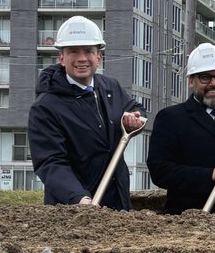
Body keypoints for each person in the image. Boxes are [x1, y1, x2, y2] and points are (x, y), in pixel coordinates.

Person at [28, 15, 145, 209]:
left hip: (117, 203)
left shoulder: (110, 87)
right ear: (61, 58)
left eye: (89, 51)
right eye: (73, 51)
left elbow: (136, 108)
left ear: (98, 57)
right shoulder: (45, 107)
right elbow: (50, 162)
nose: (82, 58)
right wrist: (79, 198)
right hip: (74, 210)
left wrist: (134, 119)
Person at [146, 43, 215, 228]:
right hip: (192, 225)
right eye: (205, 77)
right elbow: (160, 171)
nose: (213, 83)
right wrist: (208, 175)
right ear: (191, 81)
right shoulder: (170, 118)